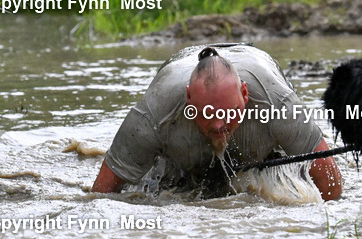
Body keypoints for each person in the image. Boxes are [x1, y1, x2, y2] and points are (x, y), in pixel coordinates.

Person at [92, 44, 342, 200]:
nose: (219, 125)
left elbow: (331, 184)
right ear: (189, 99)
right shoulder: (155, 114)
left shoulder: (277, 104)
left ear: (244, 95)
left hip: (255, 60)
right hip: (179, 64)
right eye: (208, 114)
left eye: (229, 113)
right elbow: (101, 195)